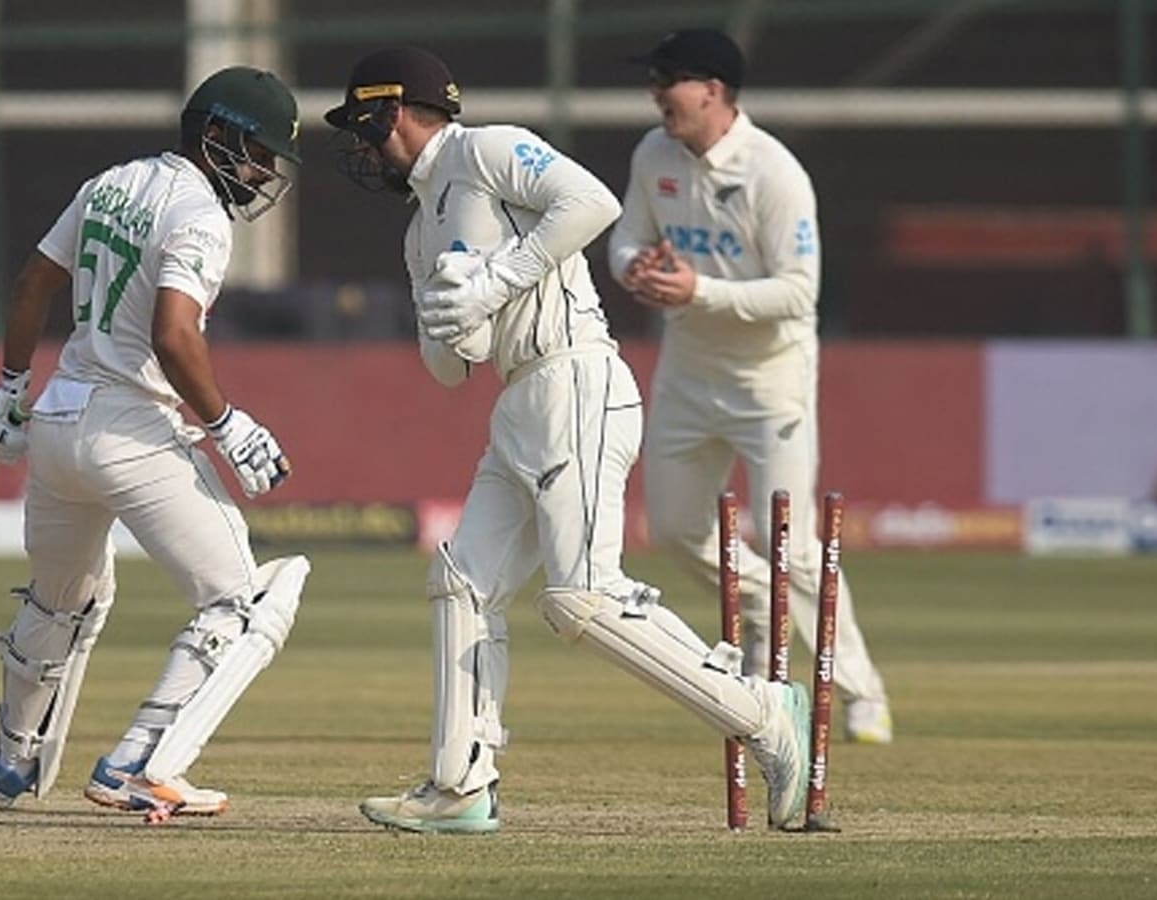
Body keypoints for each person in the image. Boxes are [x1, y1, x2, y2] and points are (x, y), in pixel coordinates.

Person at [325, 46, 813, 834]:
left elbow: (589, 203)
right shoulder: (420, 232)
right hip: (520, 401)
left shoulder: (484, 150)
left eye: (364, 125)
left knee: (581, 597)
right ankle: (461, 786)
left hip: (578, 380)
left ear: (395, 110)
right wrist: (453, 322)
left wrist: (496, 279)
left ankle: (760, 710)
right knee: (463, 582)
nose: (363, 145)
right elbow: (452, 370)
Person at [0, 65, 311, 822]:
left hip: (59, 421)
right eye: (256, 152)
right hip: (131, 426)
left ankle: (11, 761)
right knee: (241, 604)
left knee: (59, 602)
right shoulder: (200, 216)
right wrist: (227, 423)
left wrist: (9, 388)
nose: (262, 173)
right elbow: (173, 333)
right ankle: (140, 763)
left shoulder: (110, 182)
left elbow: (31, 284)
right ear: (215, 135)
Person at [607, 28, 893, 743]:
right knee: (674, 529)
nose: (655, 93)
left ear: (712, 89)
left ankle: (861, 690)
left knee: (789, 542)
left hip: (771, 382)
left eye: (667, 79)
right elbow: (623, 238)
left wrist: (697, 290)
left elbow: (800, 293)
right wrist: (635, 269)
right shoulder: (654, 155)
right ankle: (767, 614)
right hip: (688, 373)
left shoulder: (774, 173)